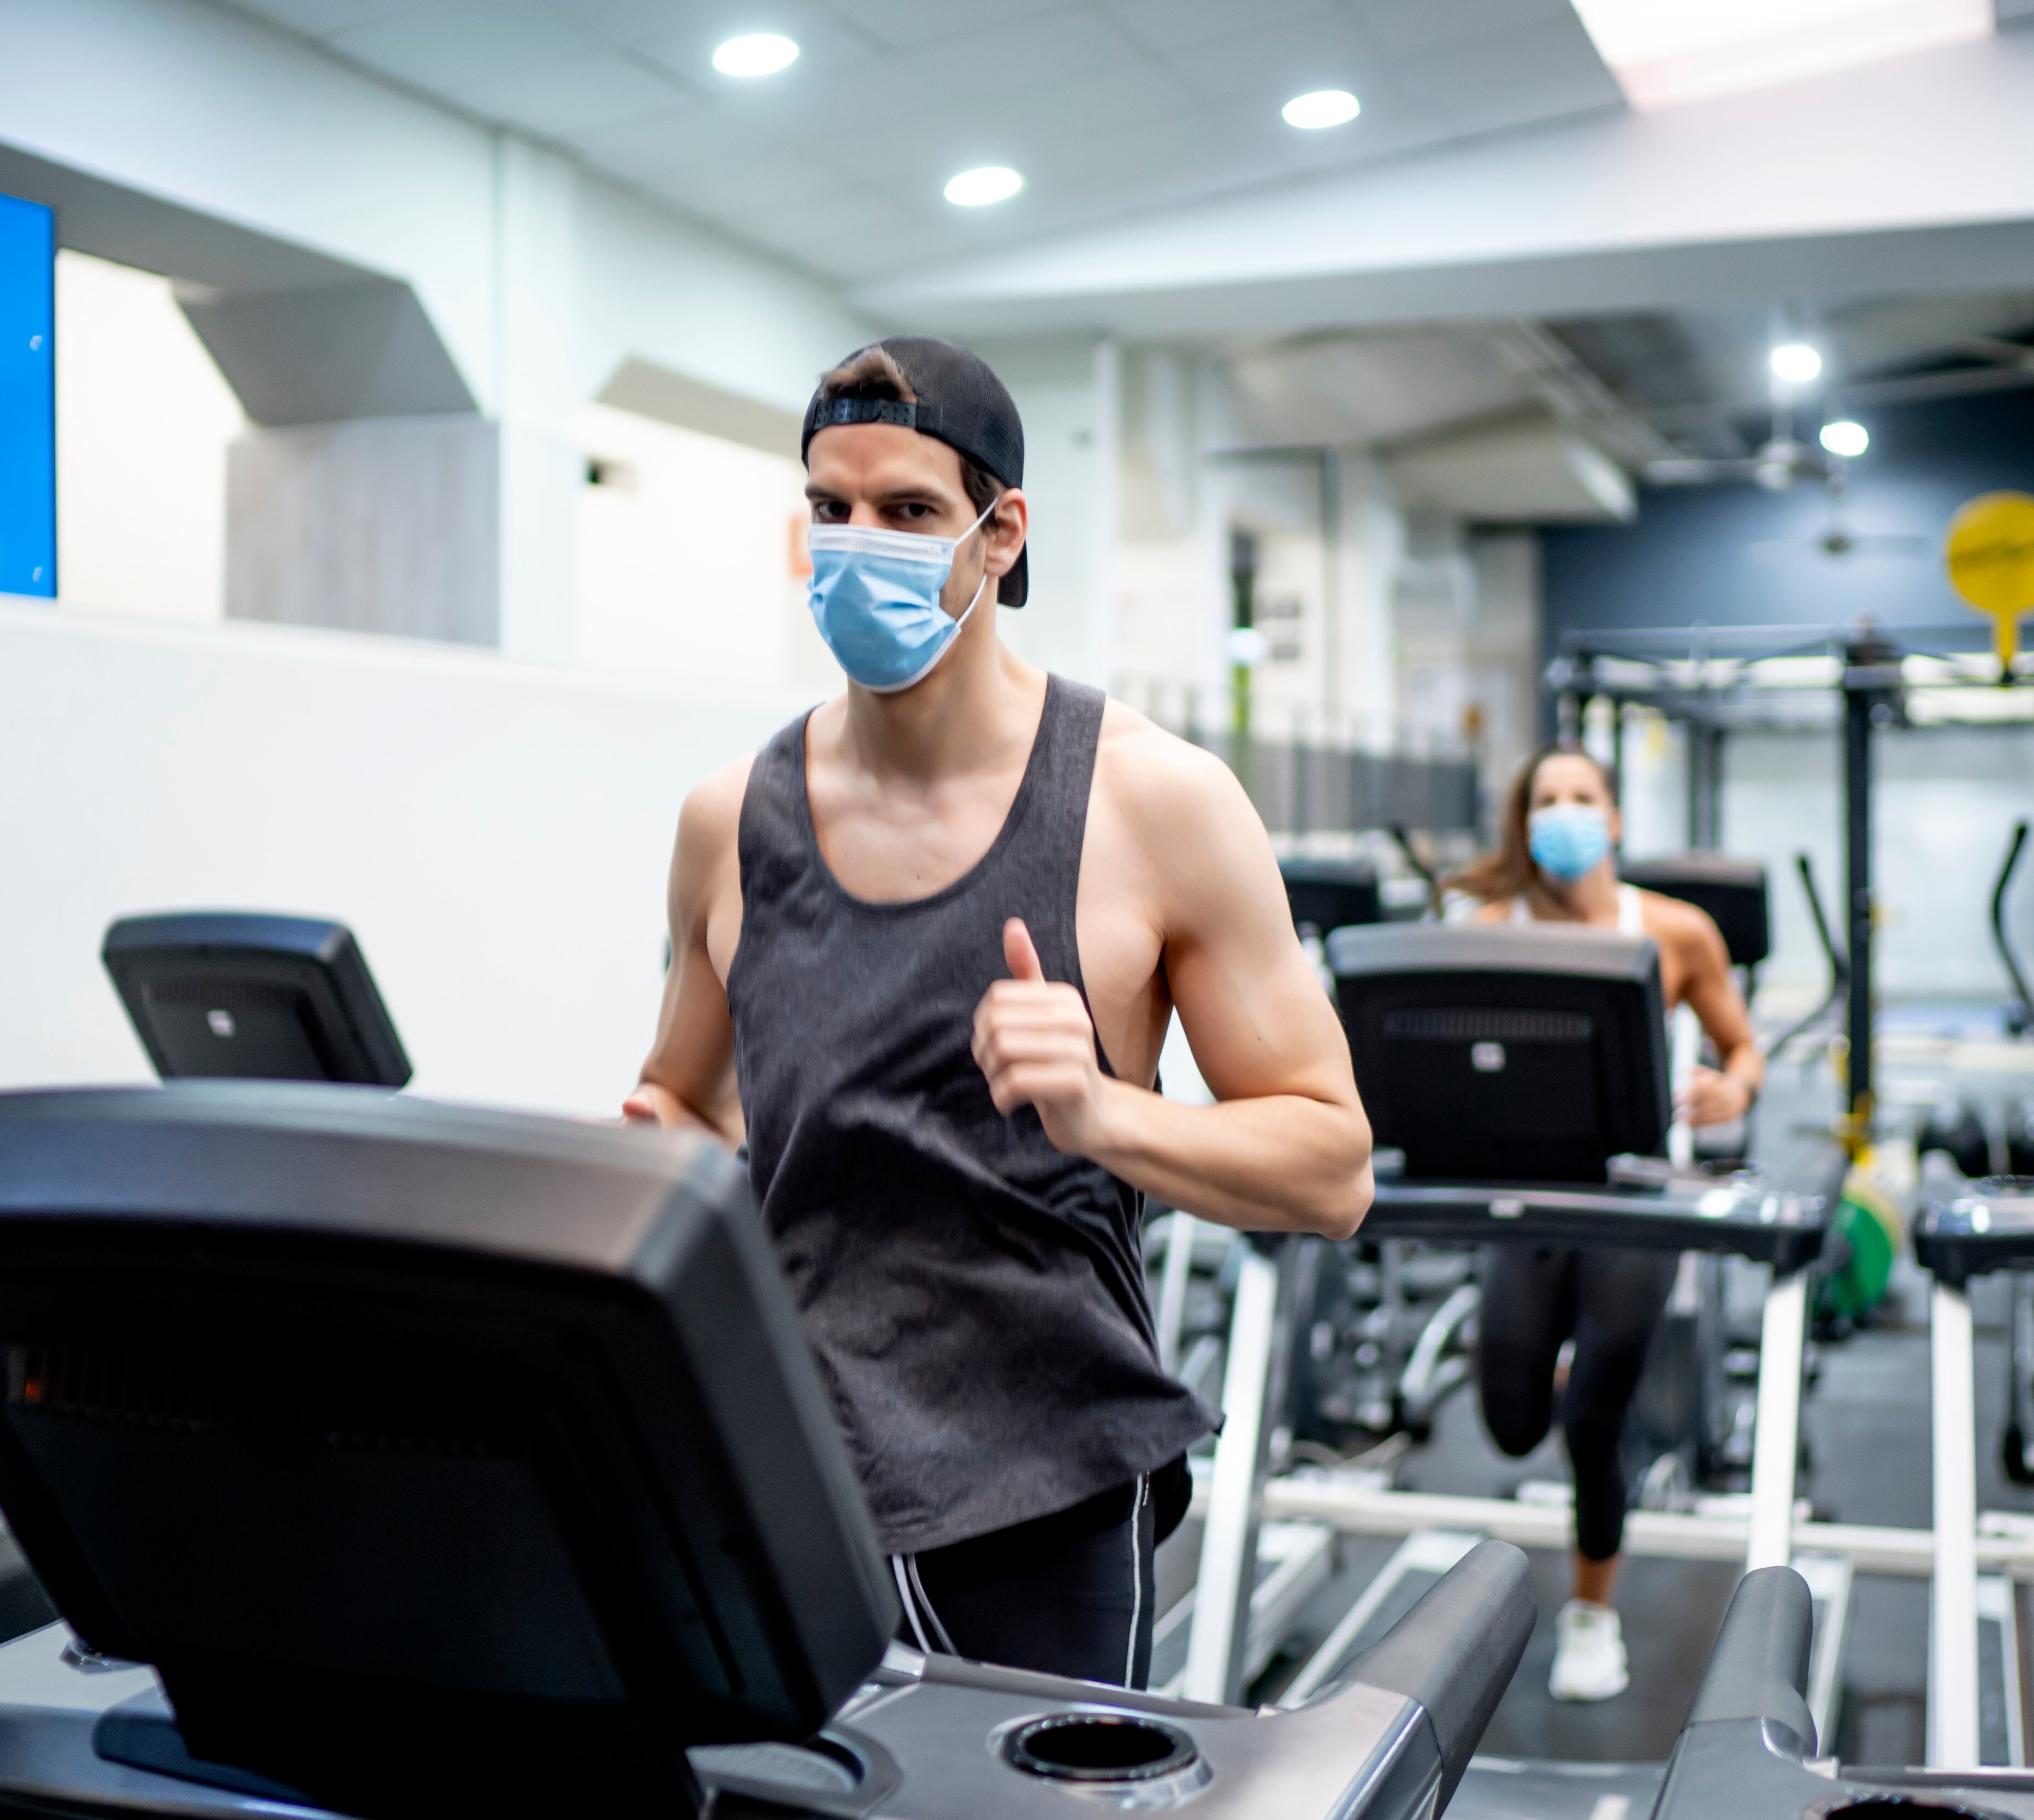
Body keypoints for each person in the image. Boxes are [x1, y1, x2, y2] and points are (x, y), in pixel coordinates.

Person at [623, 336, 1373, 1690]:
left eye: (907, 511)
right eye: (829, 508)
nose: (859, 544)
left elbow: (1332, 1167)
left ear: (997, 529)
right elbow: (682, 1095)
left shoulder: (1159, 802)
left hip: (1043, 1494)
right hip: (782, 1473)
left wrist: (1106, 1113)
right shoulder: (728, 820)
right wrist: (655, 1157)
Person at [1443, 742, 1766, 1703]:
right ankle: (1558, 1355)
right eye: (1547, 799)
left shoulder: (1675, 932)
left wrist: (1728, 1087)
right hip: (1527, 1199)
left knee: (1594, 1423)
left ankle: (1592, 1614)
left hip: (1634, 1199)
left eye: (1583, 797)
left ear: (1615, 819)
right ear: (1525, 821)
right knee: (1509, 1422)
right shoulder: (1491, 928)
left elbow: (1742, 1046)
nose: (1566, 813)